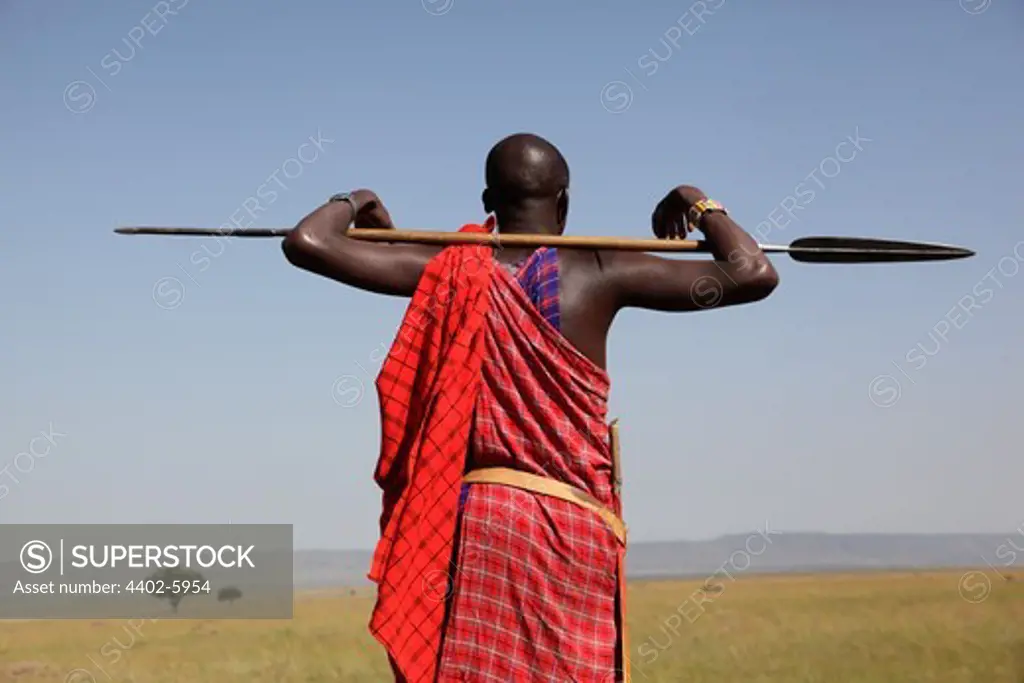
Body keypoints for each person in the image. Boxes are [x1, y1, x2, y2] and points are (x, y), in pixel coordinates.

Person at [282, 133, 779, 682]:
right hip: (572, 525)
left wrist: (359, 200)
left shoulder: (448, 267)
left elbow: (308, 240)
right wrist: (696, 201)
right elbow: (753, 272)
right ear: (564, 204)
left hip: (472, 523)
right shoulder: (600, 268)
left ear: (487, 203)